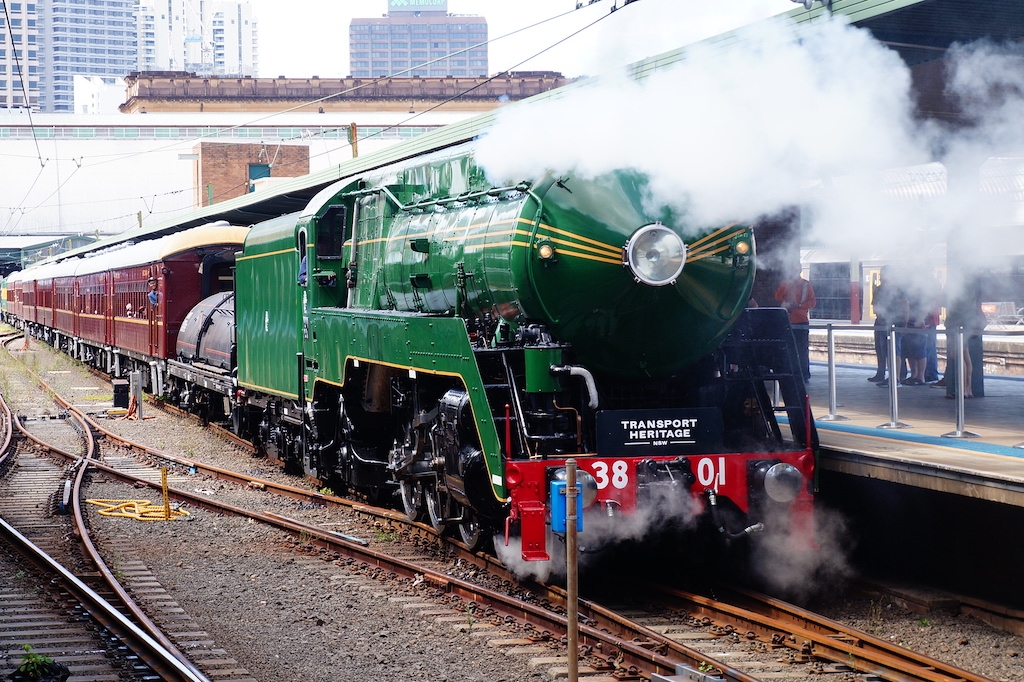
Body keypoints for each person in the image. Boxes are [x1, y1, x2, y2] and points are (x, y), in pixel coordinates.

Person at [775, 269, 816, 382]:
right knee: (789, 349)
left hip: (801, 320)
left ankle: (804, 374)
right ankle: (791, 372)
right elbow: (778, 297)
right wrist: (785, 285)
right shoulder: (786, 283)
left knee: (802, 350)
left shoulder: (806, 284)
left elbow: (812, 302)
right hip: (788, 321)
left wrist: (799, 305)